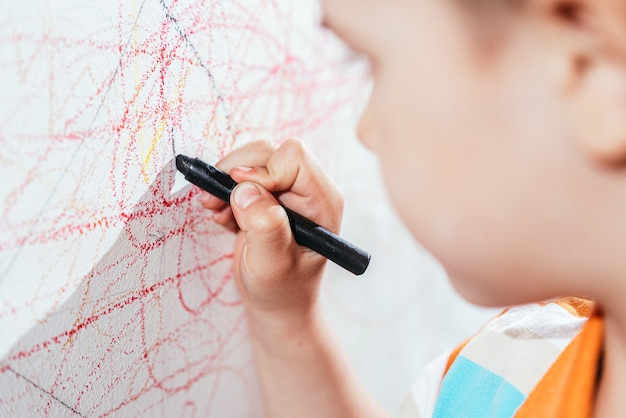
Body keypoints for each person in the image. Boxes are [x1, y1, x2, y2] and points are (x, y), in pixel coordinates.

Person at [200, 0, 626, 416]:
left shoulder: (524, 355)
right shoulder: (505, 373)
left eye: (370, 60)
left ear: (590, 67)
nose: (367, 130)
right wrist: (285, 316)